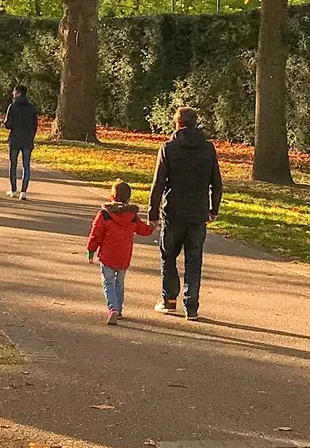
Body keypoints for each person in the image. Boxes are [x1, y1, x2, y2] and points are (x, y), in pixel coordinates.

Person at [149, 106, 221, 320]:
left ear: (177, 123)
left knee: (168, 255)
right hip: (198, 212)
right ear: (195, 123)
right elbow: (216, 183)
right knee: (194, 259)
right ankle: (192, 306)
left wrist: (152, 213)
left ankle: (169, 299)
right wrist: (213, 209)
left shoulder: (168, 148)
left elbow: (158, 184)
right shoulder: (208, 149)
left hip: (174, 211)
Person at [86, 179, 153, 325]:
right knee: (119, 283)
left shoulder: (104, 215)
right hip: (124, 256)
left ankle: (113, 308)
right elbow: (143, 230)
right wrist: (152, 226)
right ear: (129, 198)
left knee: (108, 283)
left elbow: (95, 234)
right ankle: (119, 309)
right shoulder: (132, 217)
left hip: (107, 256)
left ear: (112, 197)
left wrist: (91, 250)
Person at [4, 85, 40, 200]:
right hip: (27, 140)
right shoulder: (32, 108)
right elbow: (35, 125)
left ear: (18, 93)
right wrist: (31, 136)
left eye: (14, 92)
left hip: (15, 139)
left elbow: (8, 124)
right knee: (26, 165)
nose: (13, 93)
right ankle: (24, 191)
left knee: (13, 164)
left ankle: (13, 189)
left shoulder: (13, 107)